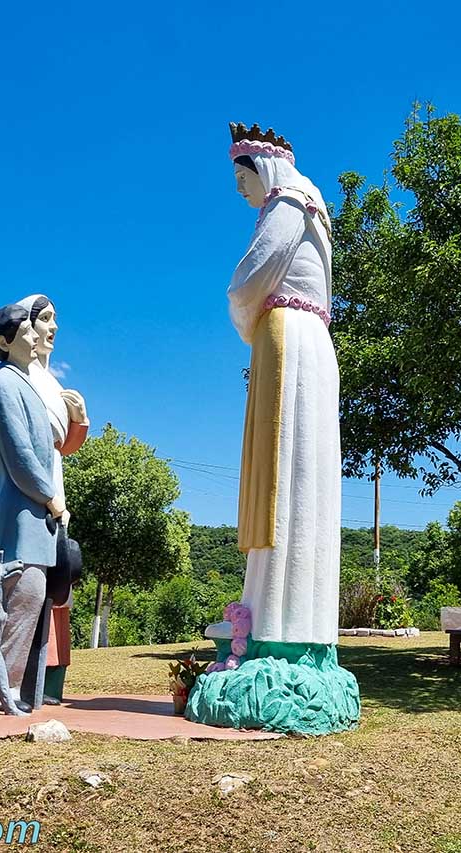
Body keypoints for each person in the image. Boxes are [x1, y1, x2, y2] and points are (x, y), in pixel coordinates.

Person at [184, 124, 359, 735]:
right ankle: (283, 630)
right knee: (293, 481)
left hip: (287, 341)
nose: (240, 191)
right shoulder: (314, 210)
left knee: (287, 481)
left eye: (241, 178)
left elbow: (246, 284)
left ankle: (278, 636)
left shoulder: (287, 206)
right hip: (305, 344)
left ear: (267, 170)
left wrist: (242, 312)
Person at [0, 294, 88, 703]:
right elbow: (18, 451)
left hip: (46, 500)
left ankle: (25, 690)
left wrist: (80, 419)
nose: (44, 334)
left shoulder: (35, 381)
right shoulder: (3, 381)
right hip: (31, 502)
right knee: (23, 593)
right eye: (35, 326)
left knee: (41, 594)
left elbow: (51, 445)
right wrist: (49, 497)